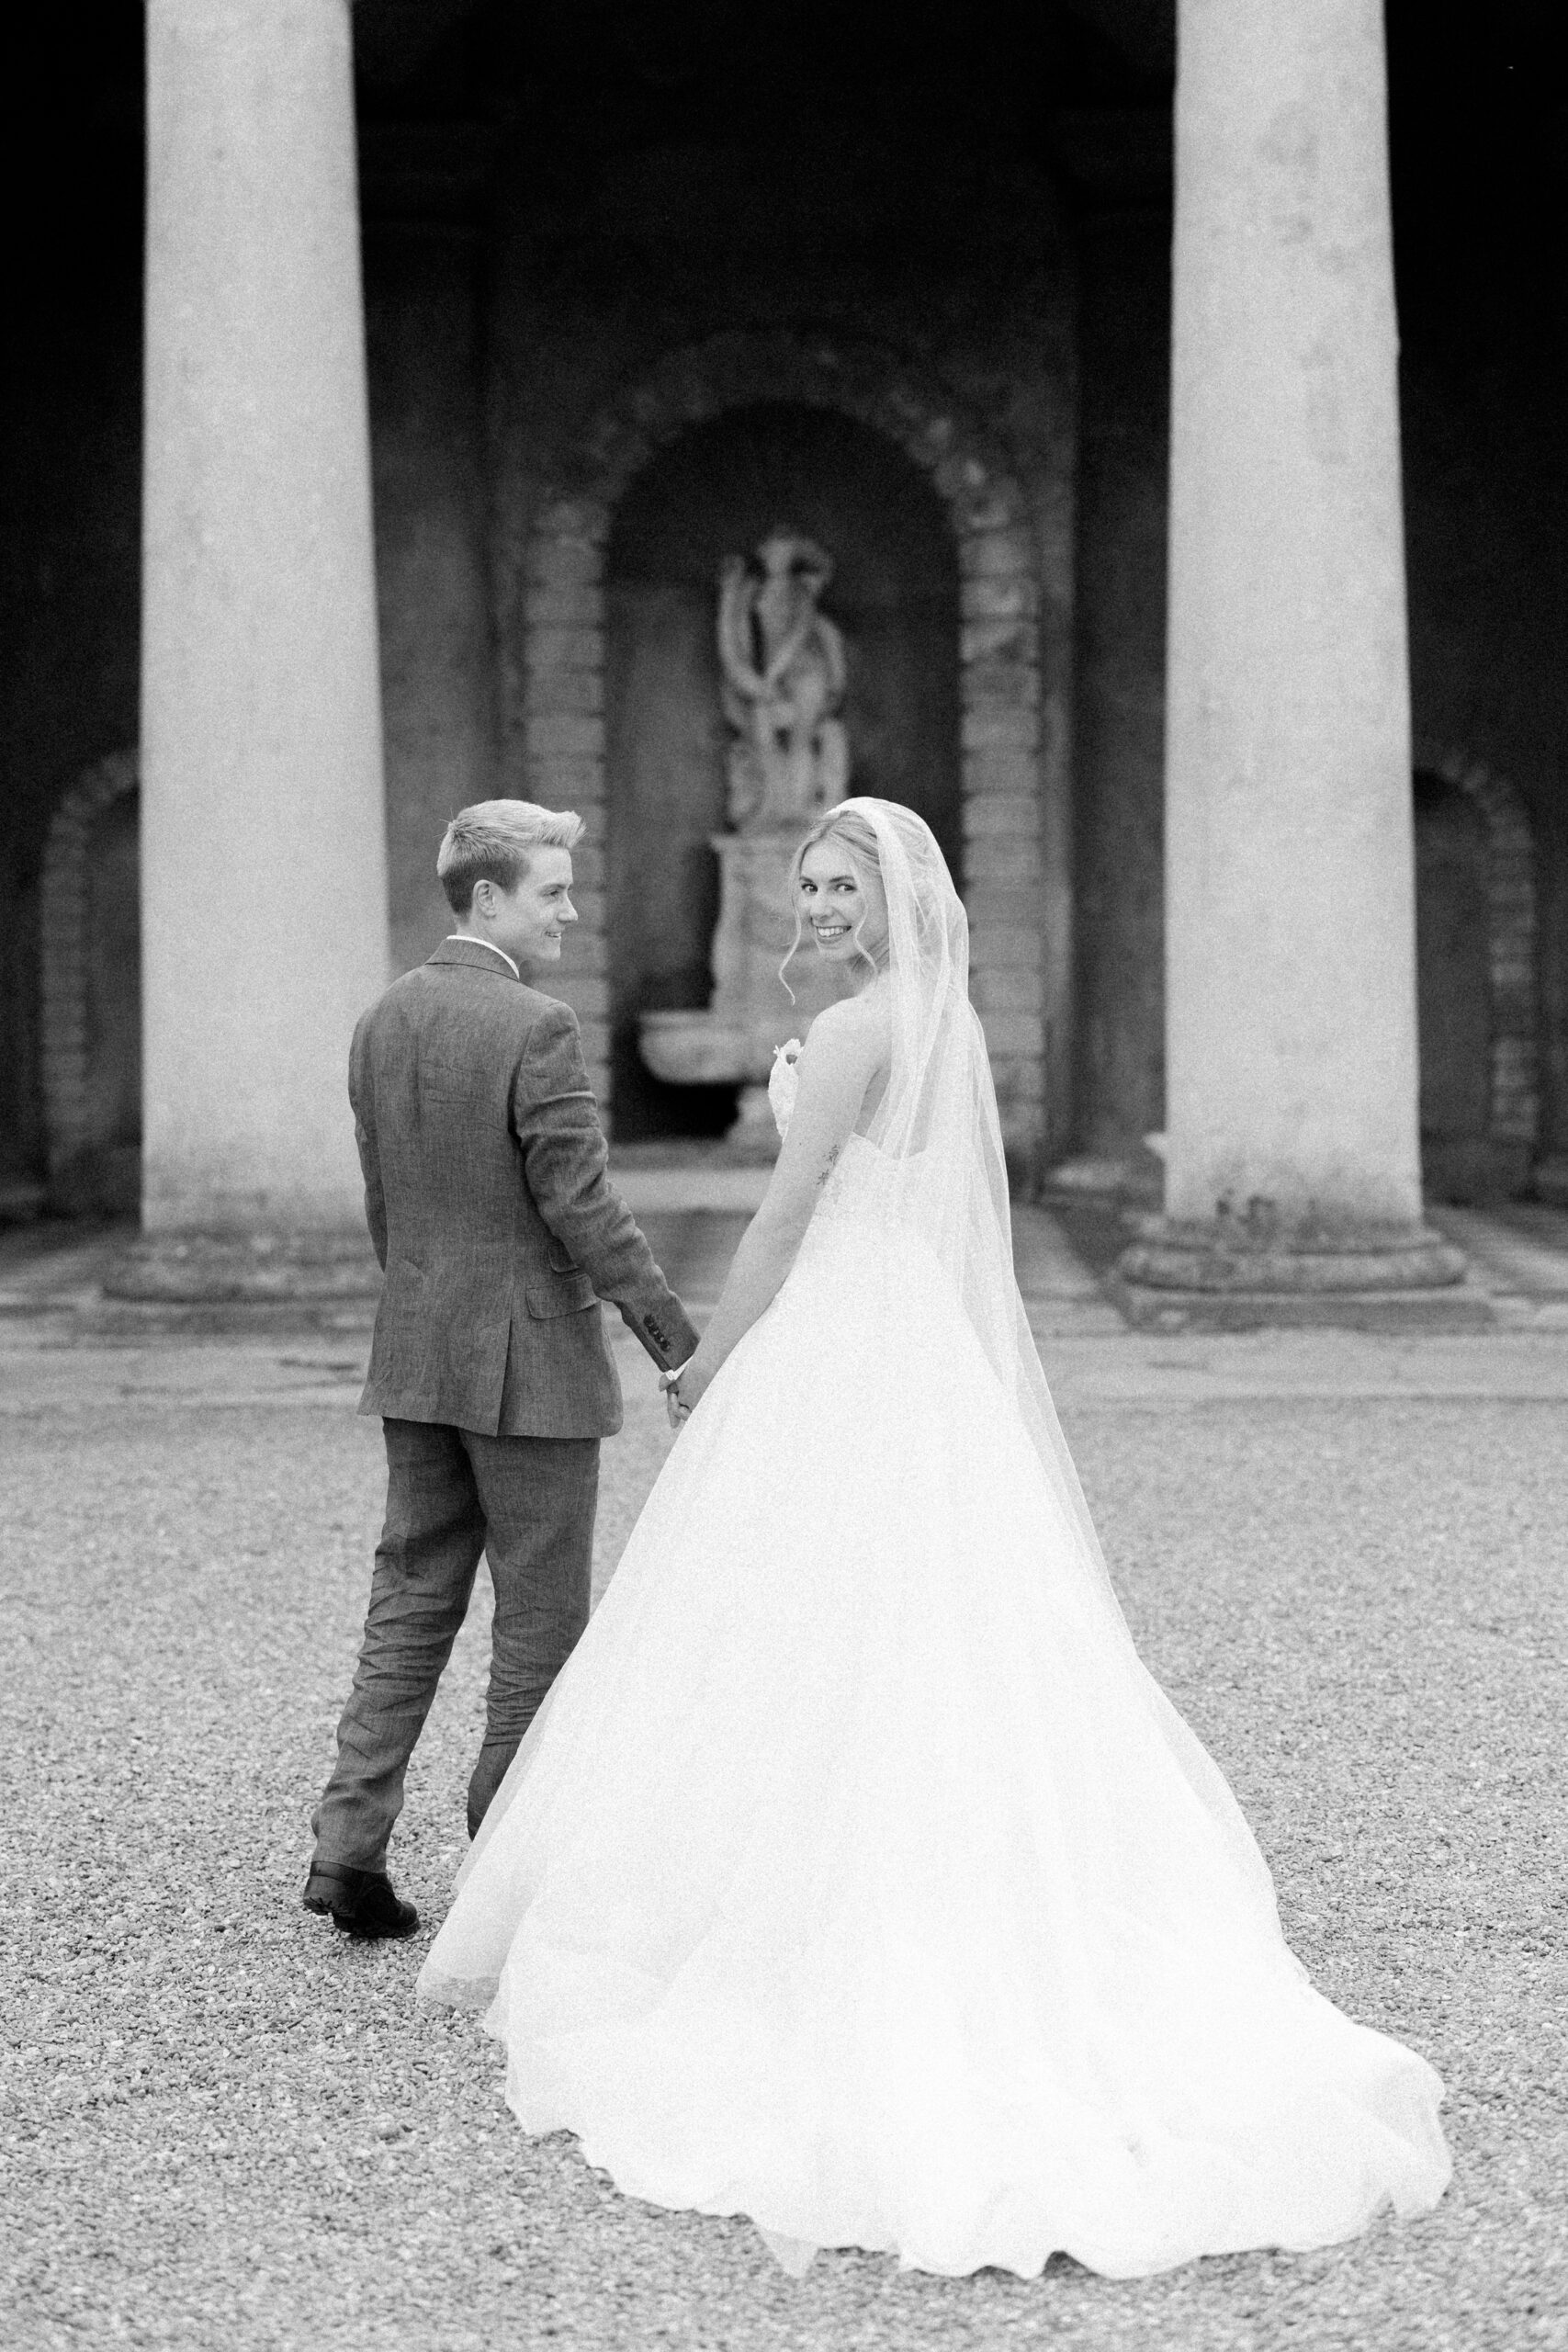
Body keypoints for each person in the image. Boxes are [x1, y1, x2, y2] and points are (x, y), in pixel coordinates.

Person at [416, 797, 1450, 2278]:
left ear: (900, 903)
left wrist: (705, 1368)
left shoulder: (851, 1038)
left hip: (841, 1331)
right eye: (812, 882)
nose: (822, 902)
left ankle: (792, 1926)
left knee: (798, 1612)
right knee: (900, 1617)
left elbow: (778, 1224)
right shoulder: (942, 1023)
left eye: (845, 885)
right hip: (908, 1334)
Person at [303, 800, 700, 1942]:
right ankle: (507, 1861)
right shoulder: (535, 1026)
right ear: (487, 898)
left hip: (420, 1350)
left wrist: (433, 1309)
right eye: (552, 892)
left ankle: (346, 1848)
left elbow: (388, 1206)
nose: (572, 912)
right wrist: (676, 1342)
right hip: (528, 1371)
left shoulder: (380, 1020)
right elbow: (583, 1207)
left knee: (408, 1605)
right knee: (539, 1626)